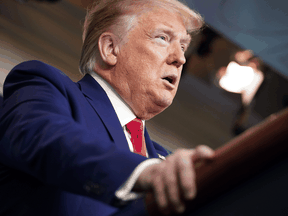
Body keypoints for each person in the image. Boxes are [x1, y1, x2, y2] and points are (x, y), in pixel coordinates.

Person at [0, 0, 214, 215]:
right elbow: (44, 137)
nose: (180, 58)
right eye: (162, 38)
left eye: (184, 46)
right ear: (110, 48)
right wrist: (143, 172)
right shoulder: (43, 84)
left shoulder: (165, 161)